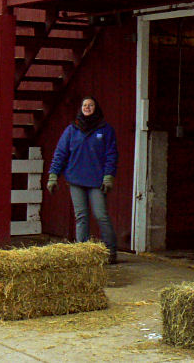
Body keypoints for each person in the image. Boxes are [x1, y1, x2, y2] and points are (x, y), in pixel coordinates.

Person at [47, 96, 118, 264]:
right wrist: (53, 176)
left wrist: (108, 176)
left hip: (97, 181)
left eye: (91, 105)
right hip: (76, 179)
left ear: (96, 108)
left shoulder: (105, 130)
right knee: (81, 216)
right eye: (85, 105)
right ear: (81, 108)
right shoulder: (72, 129)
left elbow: (111, 155)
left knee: (101, 215)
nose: (87, 107)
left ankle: (111, 251)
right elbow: (60, 153)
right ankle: (82, 252)